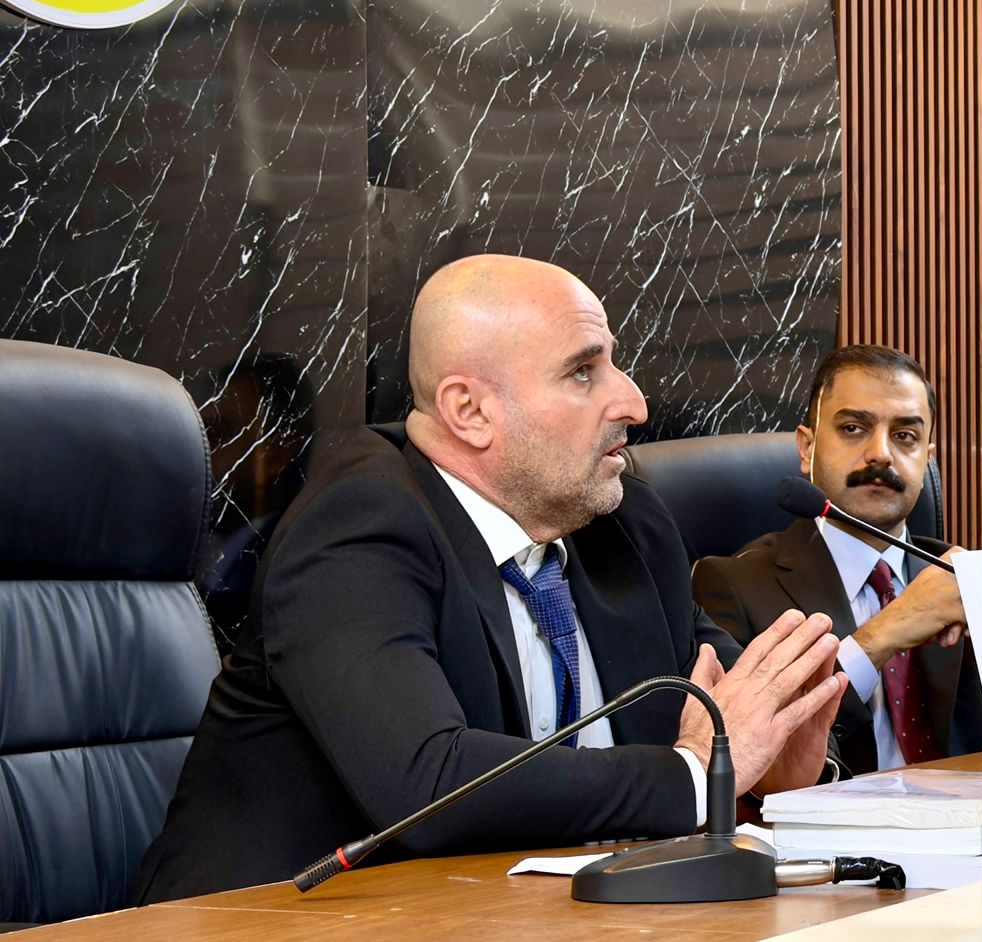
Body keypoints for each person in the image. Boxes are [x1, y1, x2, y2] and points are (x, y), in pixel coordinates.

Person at [134, 255, 847, 902]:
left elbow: (730, 701)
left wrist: (772, 768)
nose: (634, 403)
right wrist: (692, 774)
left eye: (614, 364)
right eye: (583, 372)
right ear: (470, 411)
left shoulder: (624, 522)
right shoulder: (355, 529)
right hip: (273, 920)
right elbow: (431, 782)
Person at [693, 346, 982, 776]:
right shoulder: (733, 585)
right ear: (807, 447)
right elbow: (750, 757)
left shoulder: (960, 579)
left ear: (928, 459)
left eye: (905, 436)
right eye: (853, 428)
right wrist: (885, 632)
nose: (881, 454)